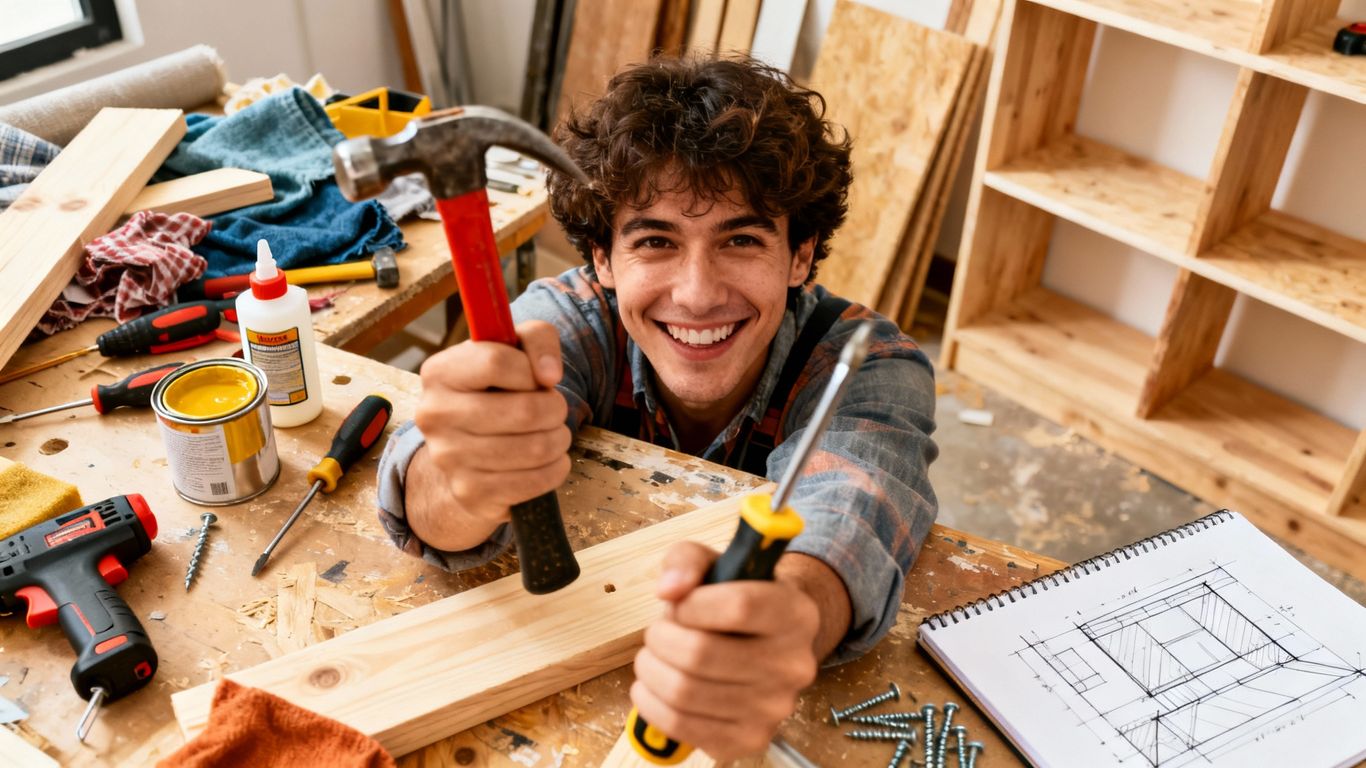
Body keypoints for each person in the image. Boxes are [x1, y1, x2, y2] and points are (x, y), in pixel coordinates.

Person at [376, 54, 938, 760]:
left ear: (801, 254)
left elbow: (848, 520)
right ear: (600, 261)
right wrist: (457, 481)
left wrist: (786, 619)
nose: (697, 293)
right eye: (655, 241)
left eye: (740, 238)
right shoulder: (571, 321)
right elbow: (426, 484)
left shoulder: (868, 366)